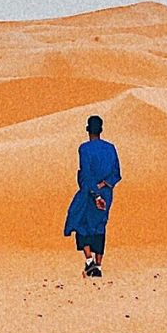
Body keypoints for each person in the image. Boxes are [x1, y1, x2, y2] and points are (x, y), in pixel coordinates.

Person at [64, 114, 121, 277]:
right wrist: (103, 186)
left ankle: (89, 261)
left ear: (88, 130)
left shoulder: (84, 148)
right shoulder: (110, 148)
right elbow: (116, 174)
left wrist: (95, 194)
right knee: (100, 225)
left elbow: (86, 174)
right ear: (101, 130)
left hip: (89, 193)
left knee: (80, 222)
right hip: (106, 192)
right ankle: (98, 265)